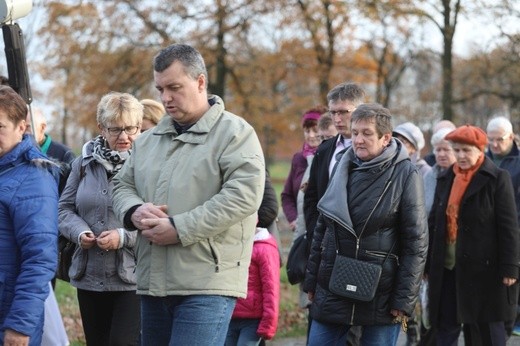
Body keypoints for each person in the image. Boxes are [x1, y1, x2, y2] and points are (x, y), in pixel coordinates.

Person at [111, 43, 265, 346]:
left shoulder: (235, 133)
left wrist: (180, 228)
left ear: (200, 82)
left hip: (207, 282)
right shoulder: (148, 140)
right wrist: (134, 211)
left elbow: (243, 195)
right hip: (153, 282)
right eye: (160, 89)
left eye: (174, 87)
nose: (166, 98)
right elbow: (121, 185)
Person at [303, 103, 428, 345]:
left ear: (385, 138)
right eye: (356, 132)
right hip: (332, 284)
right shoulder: (342, 165)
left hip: (381, 292)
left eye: (367, 133)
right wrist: (312, 280)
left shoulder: (406, 174)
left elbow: (416, 242)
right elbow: (322, 227)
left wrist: (404, 300)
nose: (358, 140)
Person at [58, 92, 143, 346]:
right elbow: (64, 209)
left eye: (131, 128)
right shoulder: (82, 163)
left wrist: (123, 237)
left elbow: (162, 219)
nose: (125, 136)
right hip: (89, 276)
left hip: (132, 277)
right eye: (116, 129)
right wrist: (79, 232)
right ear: (101, 129)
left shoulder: (148, 166)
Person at [427, 125, 519, 345]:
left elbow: (509, 227)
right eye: (456, 150)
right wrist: (427, 264)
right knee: (444, 329)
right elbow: (435, 222)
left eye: (466, 151)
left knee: (485, 332)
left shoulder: (497, 178)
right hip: (448, 268)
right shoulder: (447, 177)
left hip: (484, 271)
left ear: (480, 150)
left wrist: (510, 267)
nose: (460, 156)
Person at [303, 83, 366, 345]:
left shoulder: (375, 150)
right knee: (320, 320)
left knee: (354, 328)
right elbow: (313, 197)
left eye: (344, 112)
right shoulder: (326, 149)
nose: (338, 119)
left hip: (360, 249)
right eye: (333, 112)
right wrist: (315, 236)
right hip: (325, 245)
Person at [0, 85, 60, 346]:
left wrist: (20, 324)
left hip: (8, 317)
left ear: (22, 127)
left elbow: (40, 258)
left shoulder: (33, 178)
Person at [418, 127, 456, 346]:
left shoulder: (460, 177)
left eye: (446, 149)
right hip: (431, 253)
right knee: (431, 313)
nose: (441, 154)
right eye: (438, 149)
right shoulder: (429, 176)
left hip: (451, 255)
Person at [225, 226, 280, 345]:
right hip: (230, 316)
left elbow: (271, 289)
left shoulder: (264, 248)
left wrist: (268, 323)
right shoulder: (231, 245)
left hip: (252, 320)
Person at [281, 107, 325, 232]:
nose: (311, 135)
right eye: (307, 130)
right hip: (301, 230)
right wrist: (293, 219)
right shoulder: (298, 159)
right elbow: (287, 195)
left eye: (315, 130)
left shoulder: (329, 157)